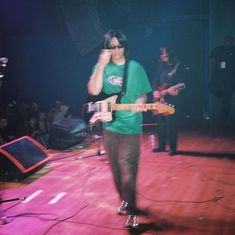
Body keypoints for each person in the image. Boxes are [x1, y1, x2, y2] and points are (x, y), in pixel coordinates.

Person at [87, 29, 152, 228]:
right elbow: (94, 90)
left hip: (131, 127)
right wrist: (100, 65)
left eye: (119, 45)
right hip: (110, 127)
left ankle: (132, 213)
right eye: (112, 46)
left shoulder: (135, 67)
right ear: (106, 48)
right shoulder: (102, 68)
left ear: (125, 46)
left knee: (128, 170)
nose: (116, 50)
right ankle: (124, 199)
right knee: (115, 170)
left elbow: (143, 94)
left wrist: (140, 102)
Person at [152, 47, 184, 156]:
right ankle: (161, 145)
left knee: (171, 124)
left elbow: (182, 84)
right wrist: (154, 91)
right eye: (161, 54)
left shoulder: (177, 67)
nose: (162, 56)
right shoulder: (161, 67)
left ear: (169, 55)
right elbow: (155, 81)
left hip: (171, 99)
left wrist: (170, 90)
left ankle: (173, 148)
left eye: (164, 54)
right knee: (161, 123)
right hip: (160, 99)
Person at [209, 35, 235, 121]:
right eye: (226, 41)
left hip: (230, 77)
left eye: (229, 41)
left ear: (232, 42)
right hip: (218, 76)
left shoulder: (233, 50)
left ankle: (224, 116)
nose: (228, 43)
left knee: (227, 97)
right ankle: (222, 95)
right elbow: (211, 61)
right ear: (224, 41)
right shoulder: (218, 49)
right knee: (212, 88)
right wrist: (211, 72)